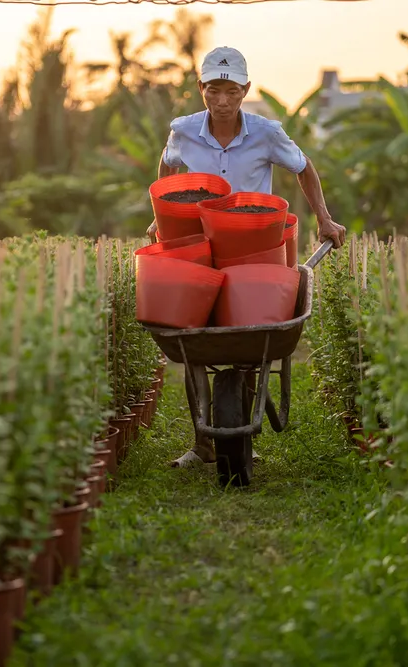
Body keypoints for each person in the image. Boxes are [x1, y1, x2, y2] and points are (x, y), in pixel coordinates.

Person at [148, 46, 347, 469]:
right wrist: (161, 217)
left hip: (254, 247)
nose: (222, 101)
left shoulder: (266, 133)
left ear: (246, 90)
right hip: (201, 246)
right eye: (213, 90)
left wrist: (325, 218)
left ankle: (243, 435)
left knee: (250, 331)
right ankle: (203, 443)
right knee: (193, 335)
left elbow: (304, 168)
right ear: (201, 88)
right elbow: (167, 169)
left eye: (232, 92)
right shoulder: (183, 130)